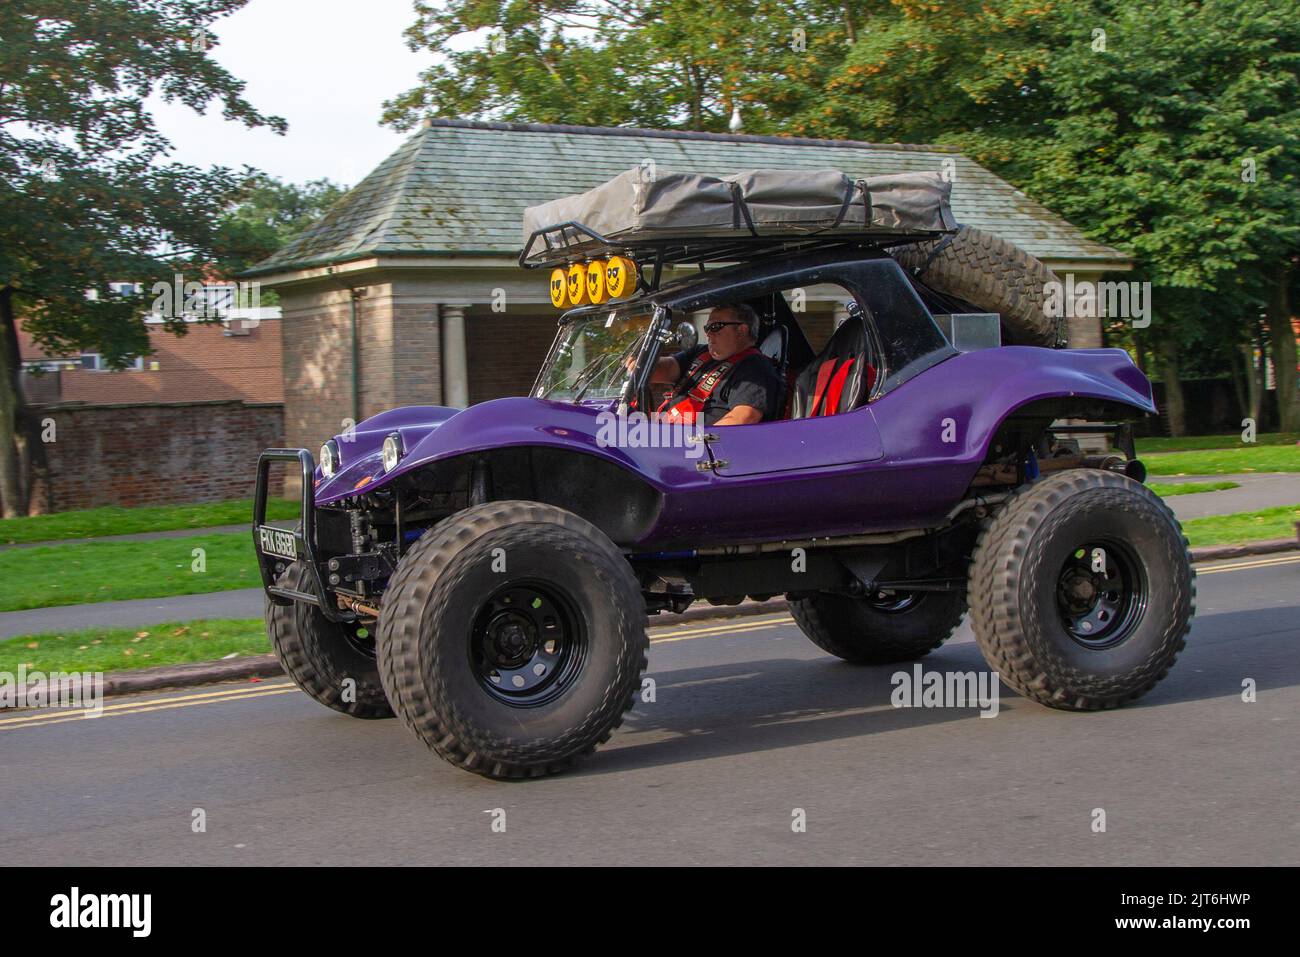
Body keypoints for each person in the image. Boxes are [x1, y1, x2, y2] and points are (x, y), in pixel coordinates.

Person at [647, 303, 782, 426]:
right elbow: (668, 367)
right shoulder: (701, 352)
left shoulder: (755, 368)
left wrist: (697, 442)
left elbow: (744, 417)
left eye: (716, 327)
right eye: (707, 328)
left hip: (700, 447)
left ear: (741, 330)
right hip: (665, 435)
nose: (708, 334)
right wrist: (642, 363)